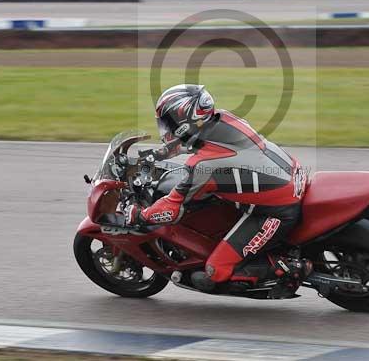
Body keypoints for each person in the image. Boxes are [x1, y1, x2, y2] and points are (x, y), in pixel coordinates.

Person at [125, 84, 311, 293]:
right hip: (293, 176)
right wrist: (157, 155)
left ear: (185, 122)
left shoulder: (203, 168)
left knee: (216, 270)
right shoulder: (223, 118)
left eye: (168, 121)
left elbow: (172, 208)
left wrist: (141, 215)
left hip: (277, 210)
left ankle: (287, 268)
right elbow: (190, 143)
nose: (165, 127)